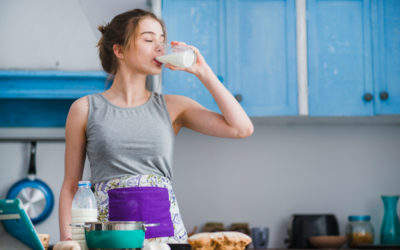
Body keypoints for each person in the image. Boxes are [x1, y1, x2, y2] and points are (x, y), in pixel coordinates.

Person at [59, 9, 253, 243]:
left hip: (167, 241)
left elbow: (241, 129)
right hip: (107, 241)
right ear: (119, 50)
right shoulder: (85, 109)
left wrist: (203, 71)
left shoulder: (173, 107)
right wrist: (69, 241)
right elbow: (71, 186)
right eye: (149, 40)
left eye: (162, 40)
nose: (160, 48)